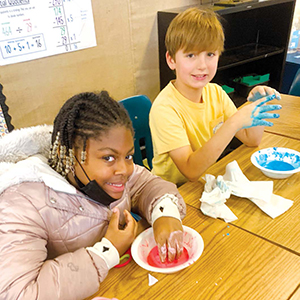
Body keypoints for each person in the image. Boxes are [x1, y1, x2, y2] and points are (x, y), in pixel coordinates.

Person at [0, 91, 186, 300]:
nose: (124, 169)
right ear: (67, 155)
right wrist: (107, 251)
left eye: (128, 155)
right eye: (108, 157)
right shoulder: (22, 203)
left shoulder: (117, 174)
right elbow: (18, 293)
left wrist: (165, 212)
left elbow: (146, 184)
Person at [149, 7, 282, 186]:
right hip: (171, 192)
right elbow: (190, 171)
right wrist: (234, 123)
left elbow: (252, 140)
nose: (202, 65)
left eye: (210, 54)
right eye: (190, 55)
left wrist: (256, 107)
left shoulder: (216, 93)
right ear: (171, 60)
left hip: (206, 180)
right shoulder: (165, 109)